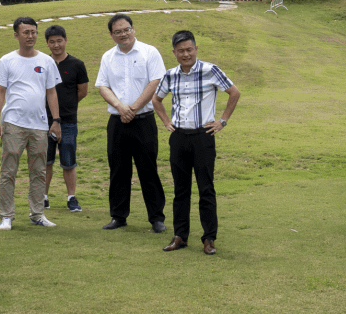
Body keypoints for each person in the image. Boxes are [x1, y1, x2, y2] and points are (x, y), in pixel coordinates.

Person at [153, 30, 241, 255]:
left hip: (203, 136)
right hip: (179, 136)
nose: (185, 54)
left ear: (196, 49)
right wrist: (166, 121)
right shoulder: (171, 75)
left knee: (206, 188)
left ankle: (209, 238)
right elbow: (157, 99)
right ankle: (180, 236)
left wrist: (222, 121)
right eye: (180, 51)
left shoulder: (210, 70)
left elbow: (234, 93)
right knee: (181, 190)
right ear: (174, 52)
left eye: (189, 49)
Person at [95, 13, 166, 232]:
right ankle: (118, 216)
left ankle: (156, 218)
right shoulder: (108, 57)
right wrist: (120, 107)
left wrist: (133, 108)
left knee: (148, 169)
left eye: (127, 29)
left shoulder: (149, 52)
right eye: (118, 31)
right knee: (118, 169)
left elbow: (155, 82)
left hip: (143, 120)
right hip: (117, 121)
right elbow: (102, 86)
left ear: (133, 29)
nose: (123, 34)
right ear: (111, 35)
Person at [0, 17, 62, 230]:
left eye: (33, 32)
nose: (30, 36)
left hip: (39, 124)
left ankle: (37, 213)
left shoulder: (46, 61)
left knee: (39, 171)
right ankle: (6, 215)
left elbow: (51, 92)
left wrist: (55, 120)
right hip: (13, 123)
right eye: (26, 32)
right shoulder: (7, 60)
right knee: (9, 170)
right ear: (16, 35)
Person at [42, 25, 89, 213]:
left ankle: (71, 197)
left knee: (68, 160)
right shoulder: (43, 63)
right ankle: (43, 198)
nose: (56, 45)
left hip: (68, 122)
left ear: (65, 40)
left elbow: (83, 91)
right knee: (45, 160)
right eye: (52, 41)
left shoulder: (77, 64)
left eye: (59, 40)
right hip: (43, 121)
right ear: (47, 43)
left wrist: (65, 109)